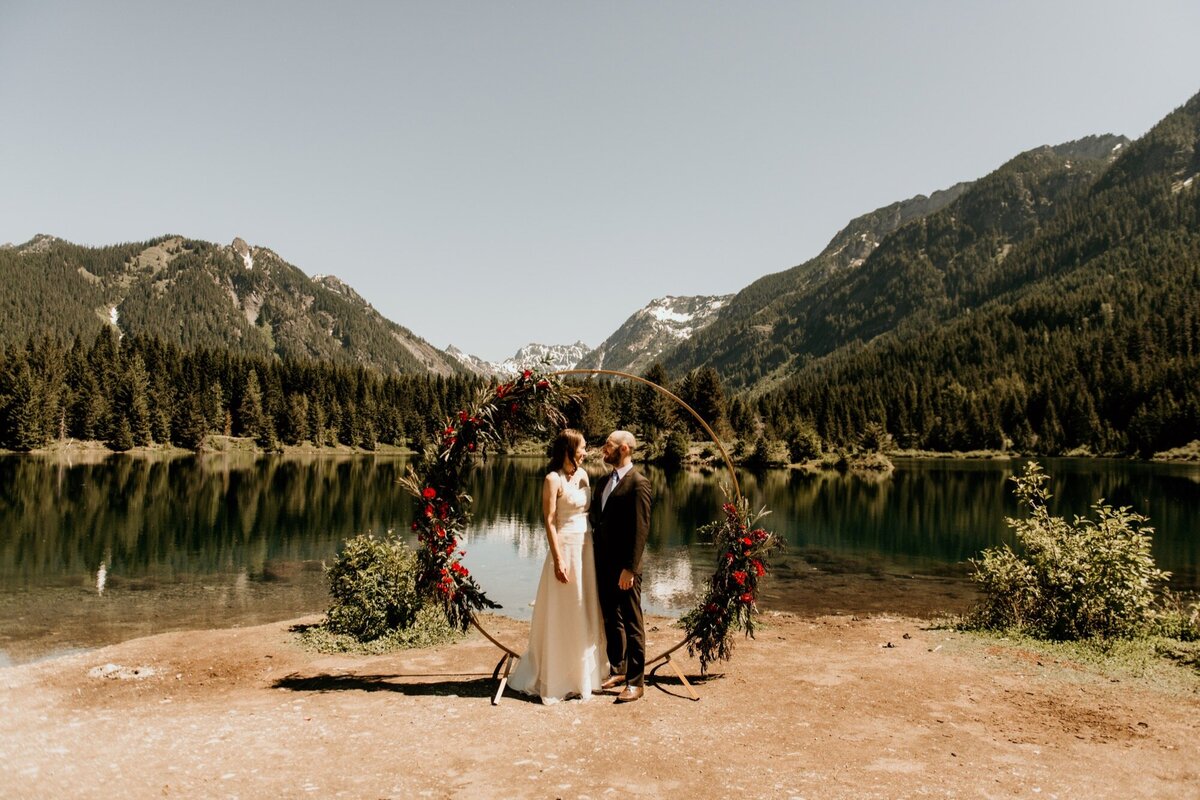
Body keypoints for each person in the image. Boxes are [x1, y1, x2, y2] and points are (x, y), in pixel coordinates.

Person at [507, 429, 608, 703]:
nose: (586, 452)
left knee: (584, 606)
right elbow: (549, 520)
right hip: (566, 547)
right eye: (582, 447)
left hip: (586, 547)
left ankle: (582, 675)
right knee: (565, 607)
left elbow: (592, 513)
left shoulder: (584, 475)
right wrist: (558, 559)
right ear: (569, 449)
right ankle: (557, 674)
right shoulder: (552, 479)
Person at [589, 430, 652, 703]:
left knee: (632, 621)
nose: (604, 449)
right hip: (602, 563)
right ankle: (619, 668)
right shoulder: (603, 481)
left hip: (625, 567)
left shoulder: (639, 483)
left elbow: (641, 530)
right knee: (611, 618)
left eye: (609, 445)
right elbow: (596, 520)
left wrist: (630, 568)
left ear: (624, 448)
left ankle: (636, 682)